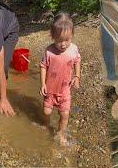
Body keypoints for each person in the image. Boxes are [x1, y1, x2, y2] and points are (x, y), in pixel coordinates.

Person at [39, 12, 81, 145]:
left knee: (65, 115)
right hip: (50, 90)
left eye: (67, 40)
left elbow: (77, 61)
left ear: (72, 36)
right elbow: (43, 66)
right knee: (46, 112)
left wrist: (77, 76)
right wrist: (42, 84)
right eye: (59, 40)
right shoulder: (49, 51)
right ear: (53, 37)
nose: (63, 44)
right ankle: (46, 126)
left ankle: (61, 134)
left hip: (64, 91)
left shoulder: (73, 49)